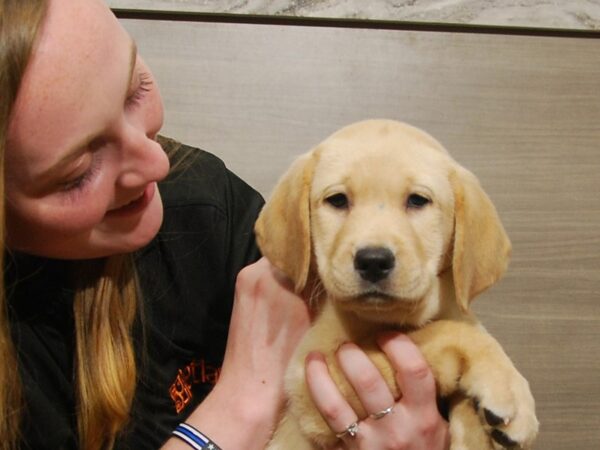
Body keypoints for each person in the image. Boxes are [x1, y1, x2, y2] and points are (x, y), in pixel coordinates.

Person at [0, 0, 450, 449]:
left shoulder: (200, 202)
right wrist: (238, 410)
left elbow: (407, 379)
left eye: (135, 89)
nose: (156, 163)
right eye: (79, 171)